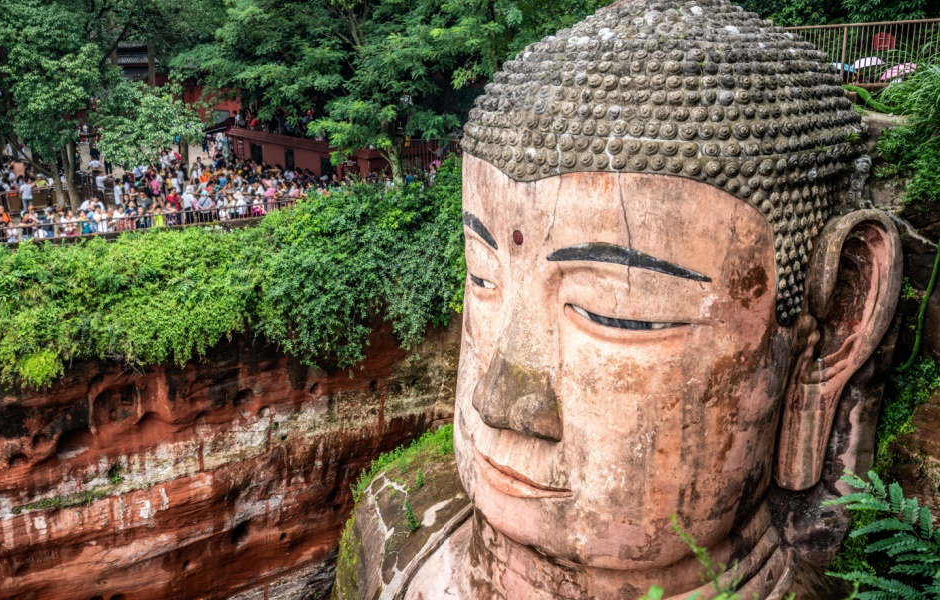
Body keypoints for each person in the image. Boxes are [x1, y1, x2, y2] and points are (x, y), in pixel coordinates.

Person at [346, 2, 904, 599]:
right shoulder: (391, 529)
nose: (500, 401)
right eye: (483, 277)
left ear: (836, 329)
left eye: (613, 312)